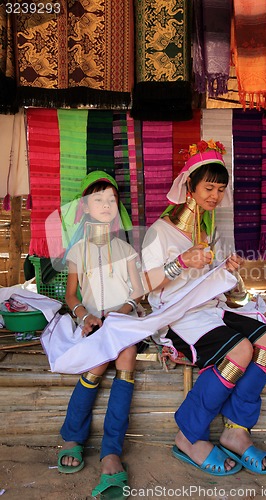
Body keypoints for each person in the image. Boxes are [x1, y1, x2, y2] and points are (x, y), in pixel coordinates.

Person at [141, 140, 266, 476]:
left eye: (221, 189)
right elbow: (147, 286)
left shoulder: (205, 228)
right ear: (189, 185)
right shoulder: (160, 231)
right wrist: (180, 262)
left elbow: (204, 280)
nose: (215, 196)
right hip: (178, 314)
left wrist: (225, 270)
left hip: (209, 307)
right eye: (209, 187)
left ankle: (235, 430)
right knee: (241, 349)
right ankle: (189, 435)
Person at [57, 171, 144, 498]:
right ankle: (74, 437)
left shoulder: (126, 250)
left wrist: (122, 311)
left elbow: (138, 293)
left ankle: (111, 452)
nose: (106, 205)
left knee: (127, 355)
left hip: (124, 320)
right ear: (86, 207)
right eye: (98, 200)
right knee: (97, 364)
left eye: (111, 200)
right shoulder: (78, 250)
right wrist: (85, 316)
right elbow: (71, 296)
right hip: (93, 322)